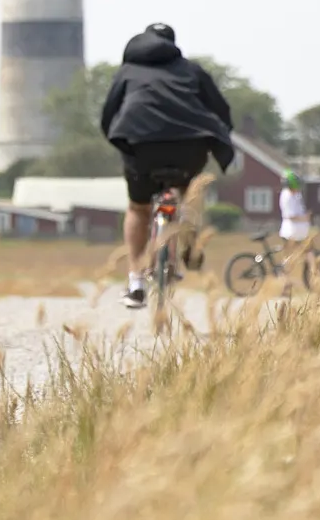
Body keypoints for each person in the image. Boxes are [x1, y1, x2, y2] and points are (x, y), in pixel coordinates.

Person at [99, 23, 233, 310]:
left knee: (138, 208)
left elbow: (108, 115)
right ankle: (190, 241)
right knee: (189, 195)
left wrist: (123, 143)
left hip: (143, 149)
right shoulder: (193, 70)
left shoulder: (128, 71)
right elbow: (221, 112)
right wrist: (217, 138)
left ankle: (136, 283)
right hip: (190, 149)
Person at [278, 168, 312, 248]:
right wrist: (305, 218)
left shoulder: (295, 195)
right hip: (293, 232)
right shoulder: (287, 197)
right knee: (307, 251)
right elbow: (291, 216)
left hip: (299, 231)